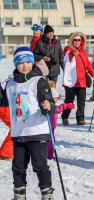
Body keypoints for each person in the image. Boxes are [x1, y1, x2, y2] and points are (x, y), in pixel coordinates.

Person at [1, 46, 56, 199]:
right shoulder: (10, 84)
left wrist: (47, 106)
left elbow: (51, 106)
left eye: (28, 62)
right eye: (21, 63)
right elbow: (4, 102)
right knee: (18, 166)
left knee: (40, 165)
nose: (25, 66)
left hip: (37, 132)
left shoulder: (39, 81)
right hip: (18, 133)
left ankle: (47, 194)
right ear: (15, 64)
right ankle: (19, 195)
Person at [62, 32, 94, 126]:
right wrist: (73, 53)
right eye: (75, 40)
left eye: (79, 40)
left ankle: (80, 119)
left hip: (81, 80)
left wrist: (93, 74)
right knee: (69, 101)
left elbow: (88, 64)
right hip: (71, 81)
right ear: (71, 41)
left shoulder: (82, 51)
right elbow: (68, 55)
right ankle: (65, 117)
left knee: (81, 102)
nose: (77, 42)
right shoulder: (68, 49)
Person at [48, 86, 75, 159]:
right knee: (50, 141)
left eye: (57, 98)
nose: (57, 100)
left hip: (52, 127)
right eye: (55, 98)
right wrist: (66, 106)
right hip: (48, 128)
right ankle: (49, 155)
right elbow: (59, 109)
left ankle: (49, 154)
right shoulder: (49, 106)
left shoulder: (52, 104)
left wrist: (66, 106)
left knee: (51, 140)